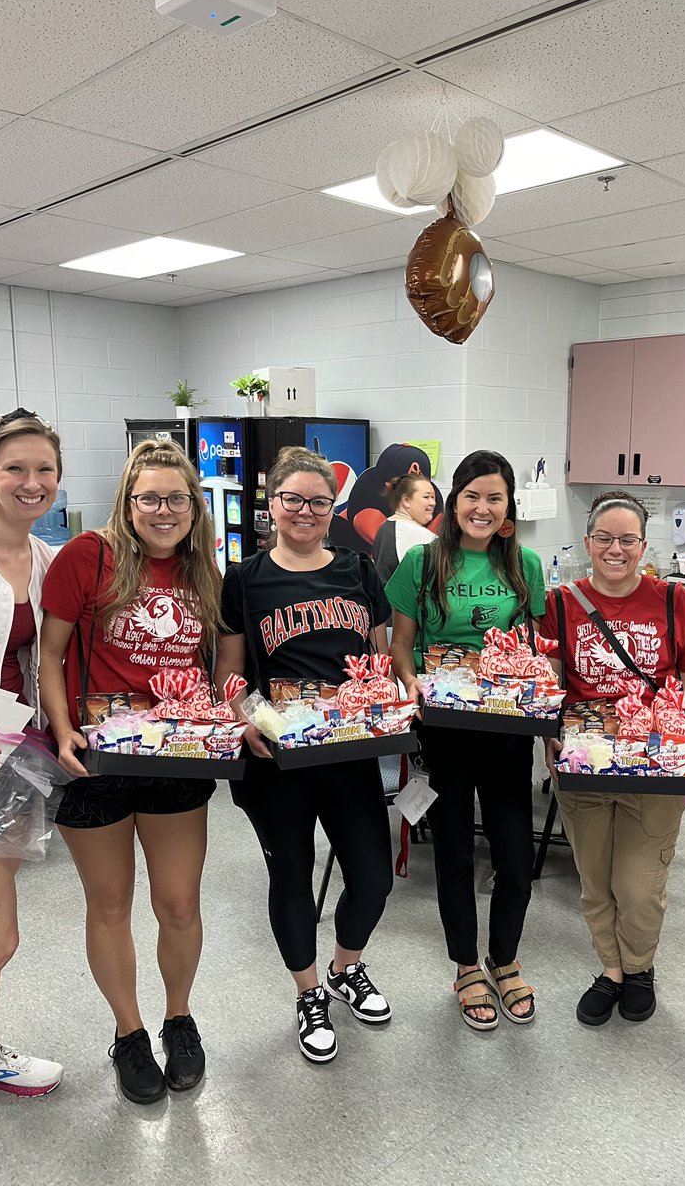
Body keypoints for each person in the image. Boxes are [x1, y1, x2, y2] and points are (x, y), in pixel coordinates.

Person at [39, 440, 221, 1106]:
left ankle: (179, 1018)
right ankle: (130, 1032)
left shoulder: (203, 568)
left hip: (176, 756)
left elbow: (213, 663)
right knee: (110, 903)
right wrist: (62, 728)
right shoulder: (88, 556)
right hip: (97, 758)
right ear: (128, 501)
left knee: (178, 904)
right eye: (150, 498)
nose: (164, 510)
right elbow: (50, 655)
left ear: (194, 506)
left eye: (177, 498)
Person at [215, 446, 394, 1065]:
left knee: (373, 877)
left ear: (332, 508)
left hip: (349, 752)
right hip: (278, 759)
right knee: (291, 875)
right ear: (272, 503)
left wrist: (386, 707)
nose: (305, 511)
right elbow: (230, 671)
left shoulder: (358, 569)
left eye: (319, 501)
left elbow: (378, 657)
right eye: (292, 498)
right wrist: (244, 718)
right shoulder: (244, 579)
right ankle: (309, 992)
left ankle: (346, 968)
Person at [388, 450, 545, 1030]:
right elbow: (400, 643)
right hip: (445, 729)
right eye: (472, 496)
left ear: (508, 506)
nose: (482, 507)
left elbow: (533, 645)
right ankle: (465, 966)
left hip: (506, 728)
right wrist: (411, 682)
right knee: (454, 852)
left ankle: (505, 959)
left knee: (515, 855)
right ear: (454, 503)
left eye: (494, 497)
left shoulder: (525, 564)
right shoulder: (423, 562)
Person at [542, 492, 685, 1027]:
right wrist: (549, 735)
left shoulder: (673, 600)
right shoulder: (560, 603)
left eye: (628, 540)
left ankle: (639, 968)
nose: (616, 550)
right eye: (604, 539)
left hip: (654, 762)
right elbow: (550, 681)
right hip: (585, 758)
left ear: (643, 545)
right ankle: (611, 971)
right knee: (594, 880)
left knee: (639, 887)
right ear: (587, 542)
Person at [0, 409, 65, 1098]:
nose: (32, 482)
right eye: (15, 469)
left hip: (14, 760)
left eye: (44, 469)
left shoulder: (47, 560)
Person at [370, 473, 437, 583]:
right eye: (426, 497)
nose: (432, 503)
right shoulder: (419, 534)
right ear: (406, 500)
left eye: (433, 497)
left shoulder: (385, 527)